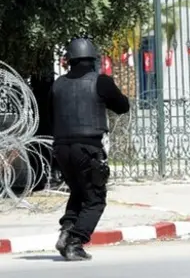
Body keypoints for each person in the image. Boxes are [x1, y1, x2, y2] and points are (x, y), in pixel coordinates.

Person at [50, 36, 130, 260]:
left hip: (61, 149)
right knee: (95, 198)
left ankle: (66, 232)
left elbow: (51, 116)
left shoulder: (58, 84)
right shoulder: (100, 82)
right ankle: (76, 241)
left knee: (78, 191)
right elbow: (123, 106)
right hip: (88, 148)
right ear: (93, 59)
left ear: (70, 60)